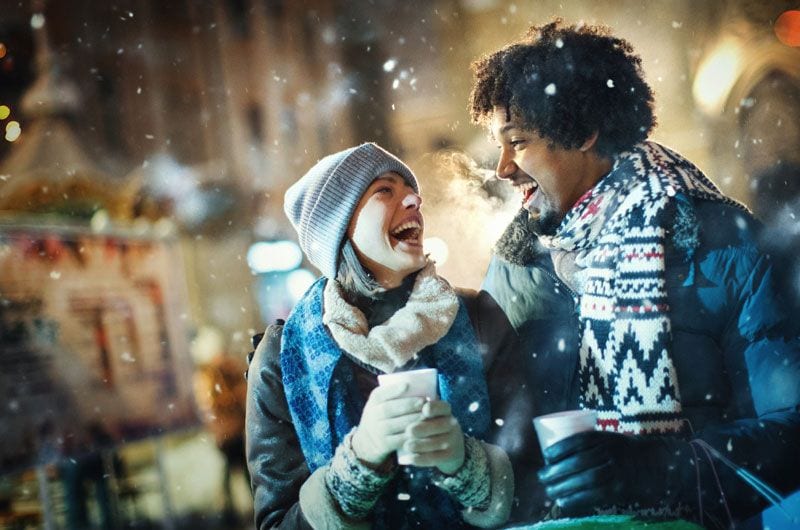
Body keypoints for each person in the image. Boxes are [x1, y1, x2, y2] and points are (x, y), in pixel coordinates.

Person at [467, 20, 800, 528]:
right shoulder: (516, 261)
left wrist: (657, 469)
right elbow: (496, 433)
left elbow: (791, 431)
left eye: (519, 141)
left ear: (583, 133)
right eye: (499, 146)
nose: (502, 168)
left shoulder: (718, 243)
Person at [245, 143, 515, 529]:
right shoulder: (283, 356)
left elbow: (541, 484)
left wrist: (467, 465)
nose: (414, 199)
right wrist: (358, 464)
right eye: (384, 190)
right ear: (340, 228)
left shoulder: (476, 318)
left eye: (411, 189)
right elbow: (275, 523)